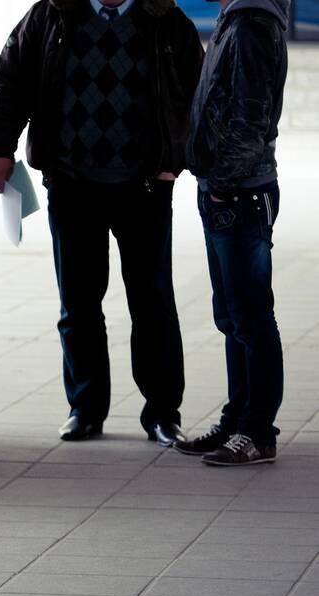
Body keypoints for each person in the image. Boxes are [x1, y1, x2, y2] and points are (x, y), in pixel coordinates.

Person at [0, 0, 203, 445]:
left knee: (153, 302)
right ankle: (85, 408)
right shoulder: (51, 14)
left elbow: (194, 94)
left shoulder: (165, 19)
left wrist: (174, 161)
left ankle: (163, 413)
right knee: (79, 303)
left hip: (144, 186)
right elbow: (12, 79)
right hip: (71, 182)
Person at [175, 0, 289, 467]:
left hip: (239, 193)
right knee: (233, 317)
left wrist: (222, 181)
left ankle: (257, 432)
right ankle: (238, 418)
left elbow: (250, 116)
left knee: (252, 318)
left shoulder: (251, 28)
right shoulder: (236, 21)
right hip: (225, 190)